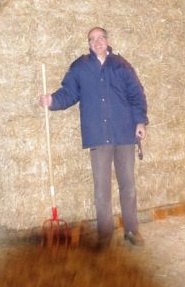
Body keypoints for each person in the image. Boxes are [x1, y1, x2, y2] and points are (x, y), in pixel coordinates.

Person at [39, 27, 148, 248]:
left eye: (101, 38)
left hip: (124, 133)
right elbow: (68, 93)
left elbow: (137, 94)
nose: (97, 42)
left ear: (107, 40)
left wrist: (140, 122)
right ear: (88, 44)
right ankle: (105, 235)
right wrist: (52, 101)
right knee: (101, 189)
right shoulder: (80, 67)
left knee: (128, 185)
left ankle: (131, 230)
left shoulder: (121, 65)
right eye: (93, 39)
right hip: (98, 136)